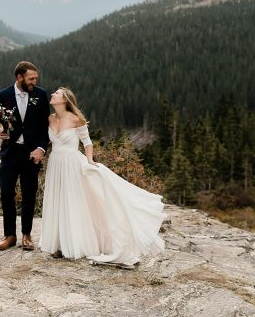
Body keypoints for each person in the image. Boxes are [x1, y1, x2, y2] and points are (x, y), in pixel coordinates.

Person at [39, 87, 167, 266]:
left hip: (72, 164)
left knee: (72, 201)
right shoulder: (49, 119)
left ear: (65, 100)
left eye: (56, 94)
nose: (52, 95)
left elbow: (87, 142)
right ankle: (59, 243)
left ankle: (74, 243)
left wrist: (90, 161)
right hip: (56, 164)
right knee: (58, 200)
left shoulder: (77, 120)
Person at [0, 61, 50, 251]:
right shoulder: (4, 95)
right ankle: (10, 235)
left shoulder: (41, 95)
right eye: (31, 78)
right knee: (6, 193)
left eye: (35, 78)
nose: (34, 81)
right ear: (19, 77)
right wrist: (1, 131)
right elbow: (0, 122)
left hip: (31, 154)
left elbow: (45, 127)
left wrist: (41, 149)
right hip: (10, 152)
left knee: (29, 194)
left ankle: (27, 235)